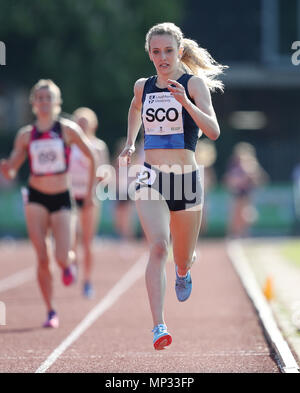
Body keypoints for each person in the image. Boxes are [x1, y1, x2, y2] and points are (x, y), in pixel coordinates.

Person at [119, 22, 226, 350]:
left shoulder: (192, 84)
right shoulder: (143, 86)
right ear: (149, 54)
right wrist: (130, 142)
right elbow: (135, 107)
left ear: (179, 51)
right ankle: (158, 326)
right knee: (158, 247)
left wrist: (186, 103)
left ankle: (183, 270)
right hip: (151, 176)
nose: (162, 57)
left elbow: (214, 131)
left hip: (187, 181)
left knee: (181, 257)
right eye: (156, 52)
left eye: (168, 51)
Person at [0, 80, 95, 328]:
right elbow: (13, 168)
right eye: (39, 98)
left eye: (48, 98)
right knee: (42, 257)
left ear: (57, 102)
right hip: (36, 197)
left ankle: (68, 263)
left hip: (62, 197)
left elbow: (91, 155)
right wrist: (7, 170)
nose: (44, 102)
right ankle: (51, 310)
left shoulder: (68, 130)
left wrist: (91, 191)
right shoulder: (25, 135)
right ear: (33, 104)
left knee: (62, 257)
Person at [69, 107, 110, 298]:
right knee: (71, 238)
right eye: (79, 122)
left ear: (93, 124)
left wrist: (97, 179)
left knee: (87, 240)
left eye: (86, 122)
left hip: (90, 197)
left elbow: (106, 172)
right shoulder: (69, 145)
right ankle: (72, 265)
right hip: (69, 196)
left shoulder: (98, 146)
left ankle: (87, 280)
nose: (82, 125)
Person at [223, 142, 268, 238]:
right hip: (236, 194)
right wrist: (237, 182)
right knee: (235, 216)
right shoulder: (233, 165)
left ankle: (244, 234)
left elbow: (262, 180)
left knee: (247, 215)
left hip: (247, 195)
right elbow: (228, 180)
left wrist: (252, 176)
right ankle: (233, 235)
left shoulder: (253, 164)